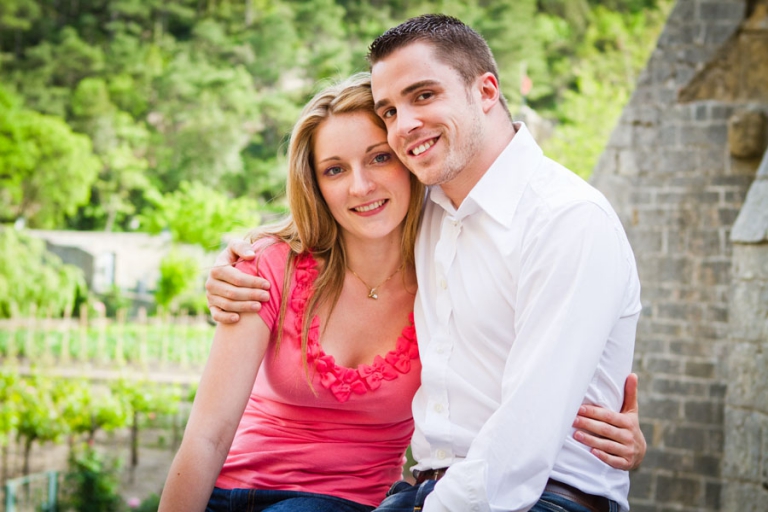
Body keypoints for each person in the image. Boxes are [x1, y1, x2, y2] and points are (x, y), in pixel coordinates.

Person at [203, 15, 646, 512]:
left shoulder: (567, 221)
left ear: (486, 90)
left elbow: (526, 440)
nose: (404, 125)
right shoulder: (427, 208)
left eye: (423, 95)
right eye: (389, 110)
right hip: (430, 489)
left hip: (542, 496)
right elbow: (339, 214)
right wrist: (233, 264)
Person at [159, 74, 426, 512]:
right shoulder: (268, 265)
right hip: (227, 493)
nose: (360, 186)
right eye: (335, 169)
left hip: (340, 503)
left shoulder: (446, 277)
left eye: (378, 158)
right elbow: (206, 435)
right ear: (315, 184)